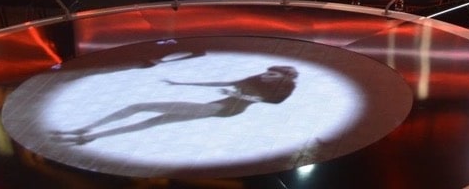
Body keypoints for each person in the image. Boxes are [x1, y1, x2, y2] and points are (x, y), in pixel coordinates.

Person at [53, 65, 298, 144]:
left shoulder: (277, 90)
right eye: (267, 72)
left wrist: (242, 97)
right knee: (152, 121)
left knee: (139, 107)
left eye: (272, 74)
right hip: (220, 105)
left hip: (223, 109)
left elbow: (269, 102)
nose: (266, 75)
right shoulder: (255, 78)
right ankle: (89, 135)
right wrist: (181, 82)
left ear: (282, 78)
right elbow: (222, 82)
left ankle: (85, 130)